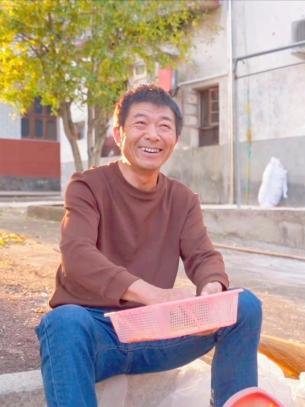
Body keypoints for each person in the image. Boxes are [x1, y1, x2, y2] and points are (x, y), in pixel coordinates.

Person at [36, 84, 262, 407]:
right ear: (119, 133)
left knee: (244, 306)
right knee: (63, 322)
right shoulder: (87, 186)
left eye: (164, 126)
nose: (153, 135)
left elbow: (203, 254)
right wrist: (156, 295)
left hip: (156, 332)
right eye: (140, 123)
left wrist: (212, 286)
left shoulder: (182, 199)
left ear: (175, 140)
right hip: (98, 336)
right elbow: (77, 255)